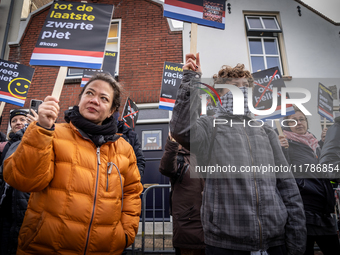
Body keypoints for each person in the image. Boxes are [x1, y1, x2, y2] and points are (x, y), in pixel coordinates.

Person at [170, 53, 306, 255]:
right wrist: (191, 79)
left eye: (245, 86)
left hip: (274, 240)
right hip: (226, 241)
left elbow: (286, 185)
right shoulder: (210, 125)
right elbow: (181, 130)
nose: (241, 90)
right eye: (233, 85)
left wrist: (296, 241)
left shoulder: (266, 130)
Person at [3, 73, 143, 255]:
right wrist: (41, 130)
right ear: (80, 99)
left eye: (103, 98)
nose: (94, 100)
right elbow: (23, 180)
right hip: (44, 247)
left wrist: (124, 234)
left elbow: (132, 192)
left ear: (111, 110)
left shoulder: (124, 149)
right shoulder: (52, 133)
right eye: (89, 93)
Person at [279, 108, 340, 255]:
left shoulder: (315, 144)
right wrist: (282, 149)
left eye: (302, 119)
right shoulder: (286, 144)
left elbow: (325, 170)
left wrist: (325, 144)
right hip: (304, 210)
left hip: (324, 210)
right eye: (293, 121)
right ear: (286, 125)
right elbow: (283, 172)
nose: (299, 123)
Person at [159, 132, 205, 255]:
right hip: (189, 227)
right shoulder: (179, 156)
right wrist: (172, 143)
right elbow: (165, 168)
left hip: (211, 228)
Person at [0, 109, 38, 255]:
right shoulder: (9, 145)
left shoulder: (33, 139)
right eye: (14, 121)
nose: (18, 123)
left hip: (25, 206)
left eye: (22, 120)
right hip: (6, 205)